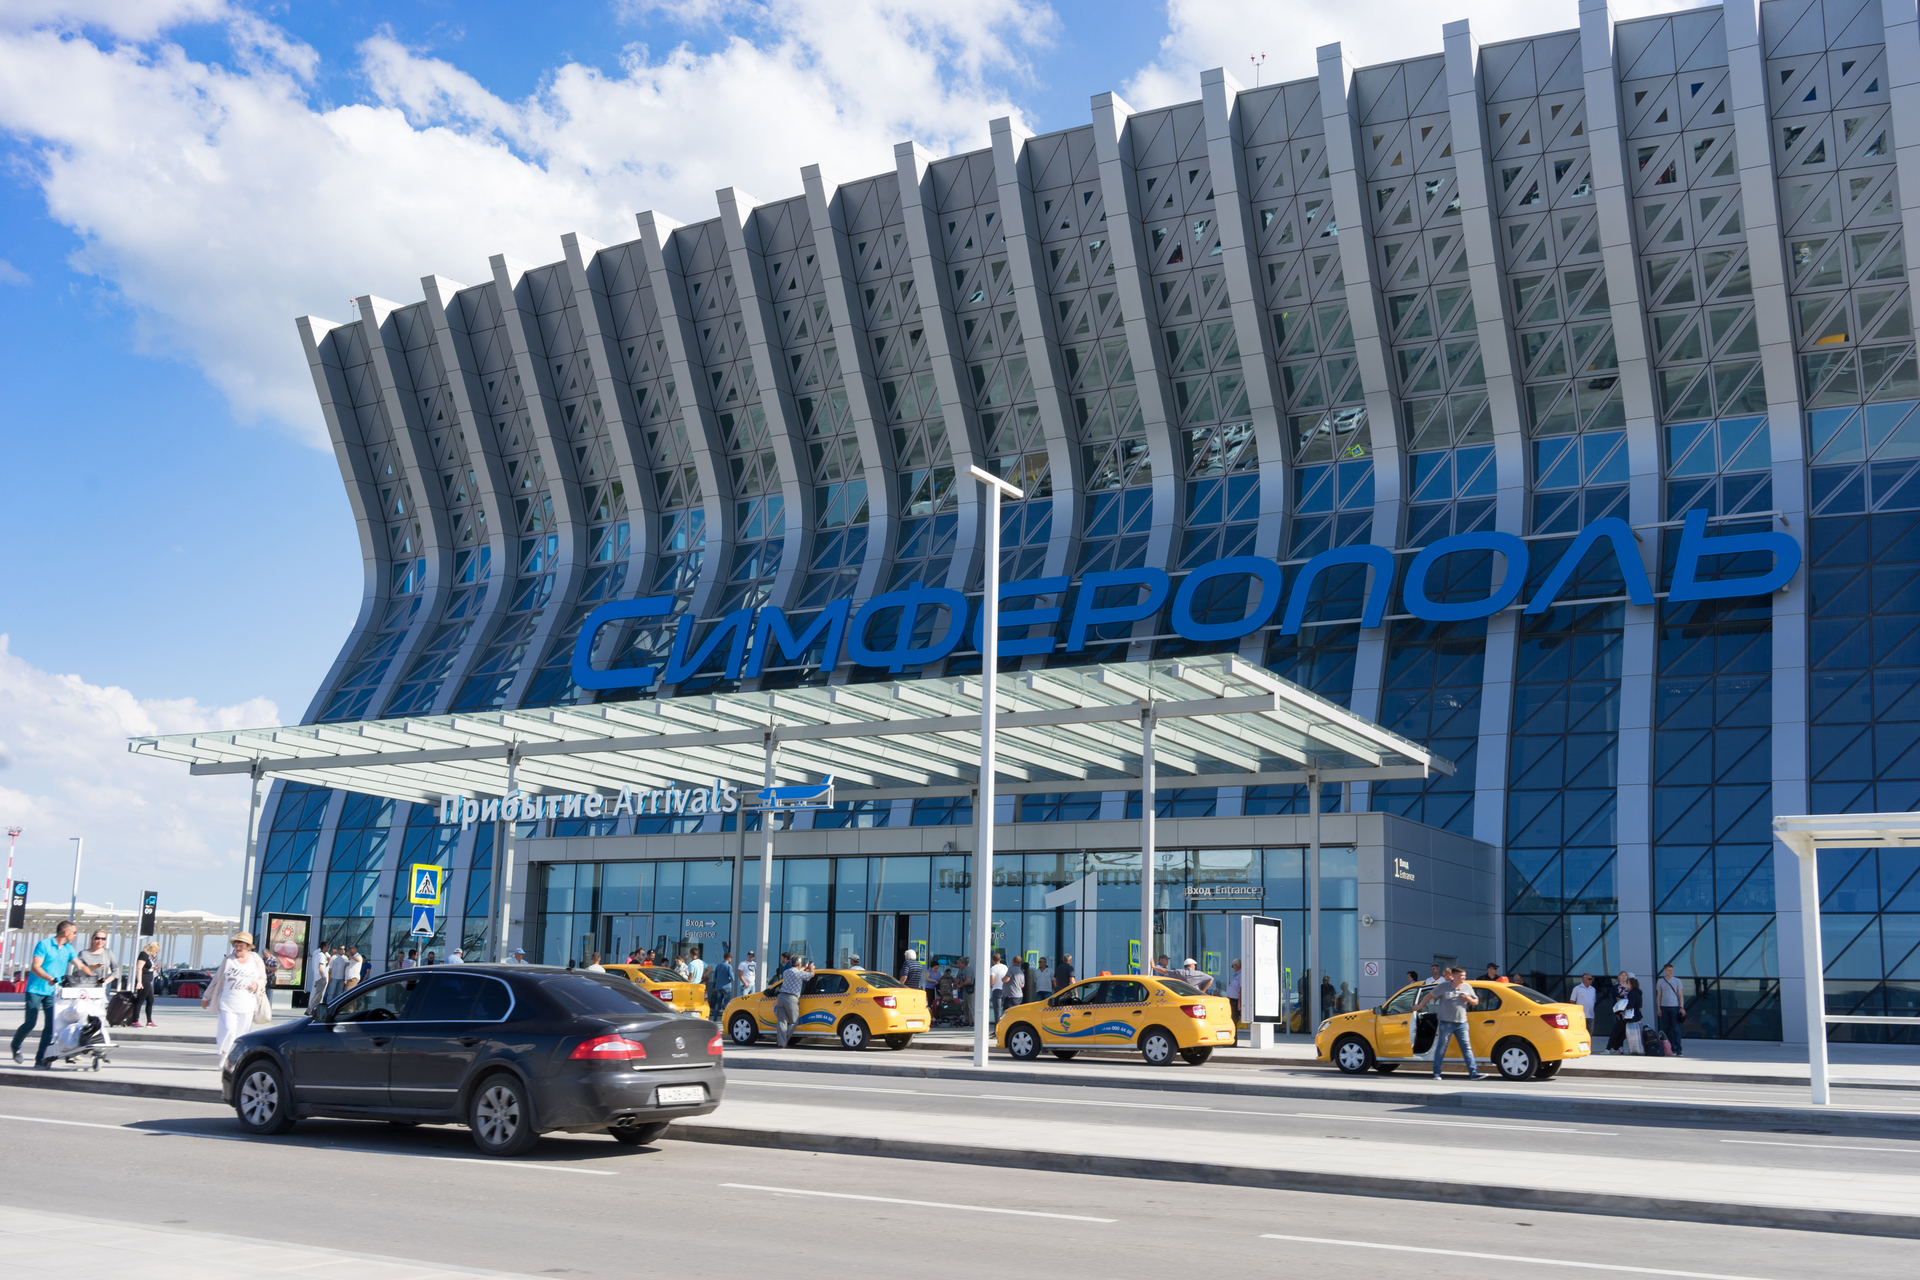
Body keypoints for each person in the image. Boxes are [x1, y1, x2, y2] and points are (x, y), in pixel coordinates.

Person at [12, 920, 89, 1067]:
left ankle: (40, 1058)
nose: (75, 935)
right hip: (35, 989)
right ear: (66, 932)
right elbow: (36, 967)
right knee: (30, 1023)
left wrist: (93, 977)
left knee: (50, 1026)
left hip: (53, 992)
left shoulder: (68, 948)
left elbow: (80, 965)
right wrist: (49, 978)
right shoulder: (44, 944)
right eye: (74, 932)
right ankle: (16, 1046)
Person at [202, 931, 267, 1068]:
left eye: (241, 946)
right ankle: (224, 1055)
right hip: (227, 1002)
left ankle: (235, 1060)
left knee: (242, 1035)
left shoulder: (256, 960)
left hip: (248, 1004)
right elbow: (217, 979)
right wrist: (206, 997)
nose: (238, 948)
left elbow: (263, 979)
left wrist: (257, 984)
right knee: (229, 1030)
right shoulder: (228, 960)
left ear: (248, 947)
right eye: (236, 945)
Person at [1414, 966, 1485, 1080]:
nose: (1464, 977)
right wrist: (1419, 1006)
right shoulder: (1443, 986)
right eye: (1462, 976)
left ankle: (1474, 1073)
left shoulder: (1467, 987)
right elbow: (1430, 995)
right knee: (1441, 1048)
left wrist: (1469, 999)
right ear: (1454, 976)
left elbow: (1476, 1001)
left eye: (1464, 975)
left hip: (1461, 1023)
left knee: (1466, 1048)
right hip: (1446, 1023)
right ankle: (1436, 1073)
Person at [774, 955, 809, 1047]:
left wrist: (804, 968)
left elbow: (797, 972)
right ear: (799, 964)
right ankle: (785, 1039)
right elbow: (811, 975)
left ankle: (781, 1043)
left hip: (781, 997)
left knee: (782, 1022)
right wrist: (812, 968)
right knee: (794, 1021)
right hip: (791, 999)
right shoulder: (799, 974)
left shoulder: (786, 972)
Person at [1656, 964, 1686, 1056]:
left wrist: (1681, 1007)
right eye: (1669, 970)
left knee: (1676, 1028)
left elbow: (1680, 995)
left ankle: (1678, 1049)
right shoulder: (1660, 981)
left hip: (1675, 1007)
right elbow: (1659, 996)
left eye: (1671, 970)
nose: (1670, 972)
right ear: (1664, 970)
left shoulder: (1677, 981)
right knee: (1667, 1029)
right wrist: (1659, 1008)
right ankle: (1671, 1049)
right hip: (1664, 1007)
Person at [1605, 971, 1636, 1053]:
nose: (1624, 977)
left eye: (1625, 975)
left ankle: (1618, 1046)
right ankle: (1617, 1047)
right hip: (1620, 1010)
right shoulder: (1616, 986)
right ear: (1619, 977)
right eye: (1622, 975)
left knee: (1624, 1030)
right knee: (1618, 1029)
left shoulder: (1629, 986)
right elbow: (1614, 997)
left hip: (1628, 1010)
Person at [134, 942, 162, 1027]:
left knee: (150, 1000)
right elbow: (139, 968)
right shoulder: (143, 954)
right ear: (153, 949)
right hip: (143, 980)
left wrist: (154, 968)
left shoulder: (149, 957)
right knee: (140, 1000)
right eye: (156, 950)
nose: (156, 952)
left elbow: (146, 968)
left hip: (148, 980)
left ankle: (149, 1021)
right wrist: (139, 982)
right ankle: (135, 1020)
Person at [708, 951, 735, 1016]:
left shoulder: (718, 965)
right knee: (726, 1003)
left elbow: (715, 976)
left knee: (718, 1002)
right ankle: (726, 1016)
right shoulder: (729, 966)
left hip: (719, 986)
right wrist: (731, 980)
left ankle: (715, 1017)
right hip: (727, 986)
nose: (731, 959)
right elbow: (732, 977)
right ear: (728, 958)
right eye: (731, 957)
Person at [987, 951, 1009, 1023]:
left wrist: (991, 985)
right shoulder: (1005, 967)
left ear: (992, 960)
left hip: (997, 990)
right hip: (1005, 990)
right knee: (1004, 1011)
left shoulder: (993, 968)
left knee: (997, 1011)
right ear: (1000, 959)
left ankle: (997, 1027)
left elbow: (992, 981)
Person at [311, 943, 333, 1007]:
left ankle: (314, 1008)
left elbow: (323, 966)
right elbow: (320, 967)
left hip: (318, 977)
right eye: (327, 947)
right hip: (321, 977)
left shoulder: (318, 954)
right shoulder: (322, 955)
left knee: (318, 995)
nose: (328, 948)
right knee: (318, 995)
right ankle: (310, 1008)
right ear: (324, 947)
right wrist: (323, 977)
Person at [1224, 959, 1244, 1024]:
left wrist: (1239, 1003)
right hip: (1231, 1001)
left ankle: (1234, 1031)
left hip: (1235, 1001)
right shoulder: (1236, 975)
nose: (1233, 968)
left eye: (1232, 966)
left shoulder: (1241, 975)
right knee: (1230, 1019)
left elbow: (1241, 989)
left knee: (1233, 1020)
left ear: (1236, 965)